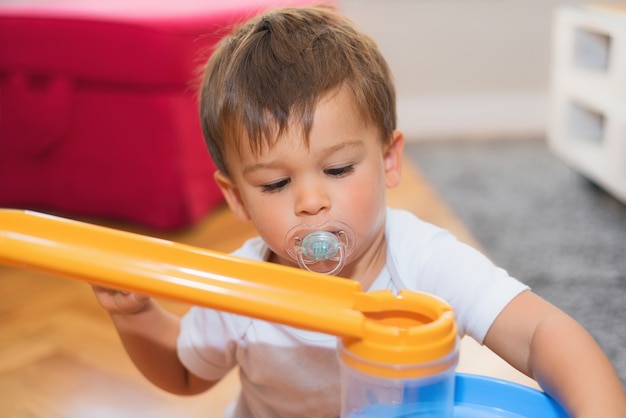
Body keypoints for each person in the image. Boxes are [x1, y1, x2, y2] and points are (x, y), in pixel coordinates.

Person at [93, 5, 626, 417]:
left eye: (339, 170)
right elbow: (187, 376)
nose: (310, 201)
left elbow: (541, 336)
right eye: (276, 183)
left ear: (389, 160)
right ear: (237, 199)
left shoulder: (424, 263)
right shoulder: (240, 289)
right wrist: (137, 315)